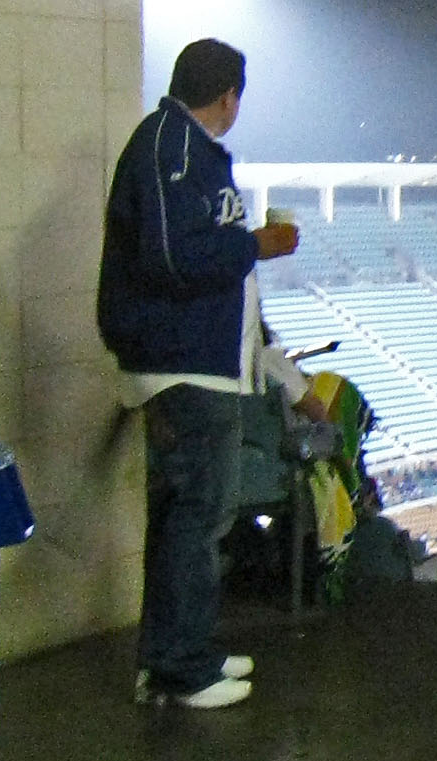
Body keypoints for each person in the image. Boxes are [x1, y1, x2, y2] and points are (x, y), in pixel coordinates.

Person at [95, 36, 318, 710]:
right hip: (183, 363)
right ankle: (181, 668)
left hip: (199, 361)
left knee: (186, 516)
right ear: (228, 96)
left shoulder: (183, 149)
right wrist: (256, 245)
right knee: (198, 517)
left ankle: (174, 653)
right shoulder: (171, 147)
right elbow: (171, 257)